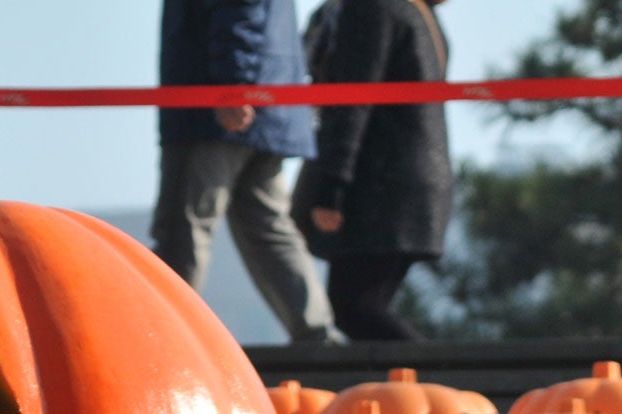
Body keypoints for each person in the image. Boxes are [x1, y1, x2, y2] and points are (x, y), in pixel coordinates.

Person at [155, 0, 343, 344]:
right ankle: (320, 336)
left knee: (184, 230)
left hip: (216, 111)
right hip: (262, 104)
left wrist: (234, 84)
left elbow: (240, 9)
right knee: (268, 227)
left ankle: (164, 338)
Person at [295, 0, 453, 341]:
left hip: (381, 185)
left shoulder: (371, 8)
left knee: (354, 309)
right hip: (415, 180)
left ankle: (440, 382)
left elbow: (352, 102)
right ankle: (430, 383)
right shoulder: (417, 12)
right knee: (362, 308)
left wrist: (332, 187)